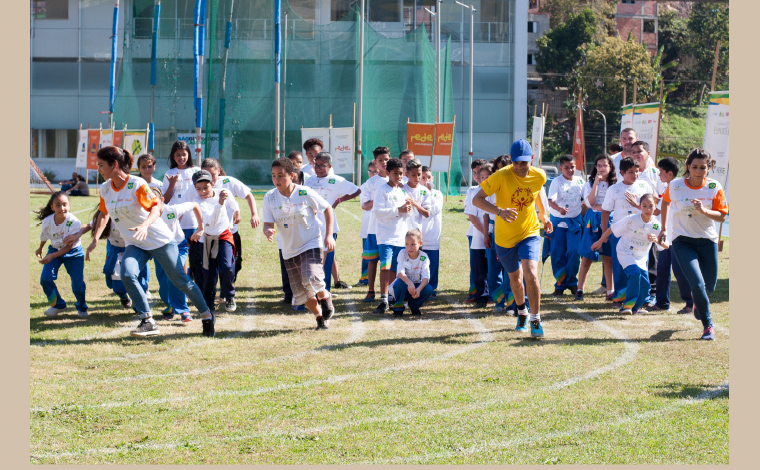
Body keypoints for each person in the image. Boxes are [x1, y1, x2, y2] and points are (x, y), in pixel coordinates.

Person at [88, 146, 215, 338]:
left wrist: (145, 225)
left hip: (159, 240)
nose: (99, 169)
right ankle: (147, 320)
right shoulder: (105, 188)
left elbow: (157, 208)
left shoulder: (136, 184)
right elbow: (104, 214)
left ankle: (206, 315)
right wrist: (95, 238)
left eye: (101, 165)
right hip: (135, 243)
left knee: (180, 281)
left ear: (114, 165)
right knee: (127, 274)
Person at [472, 139, 553, 338]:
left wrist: (545, 216)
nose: (519, 167)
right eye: (516, 162)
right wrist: (499, 211)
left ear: (531, 159)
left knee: (531, 274)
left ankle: (535, 319)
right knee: (515, 280)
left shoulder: (539, 175)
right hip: (505, 237)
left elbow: (538, 193)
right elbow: (477, 199)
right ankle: (522, 312)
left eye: (523, 163)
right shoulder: (500, 176)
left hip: (530, 232)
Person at [659, 148, 728, 341]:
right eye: (694, 167)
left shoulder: (714, 186)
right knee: (697, 283)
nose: (698, 171)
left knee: (709, 287)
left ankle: (699, 301)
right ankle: (708, 326)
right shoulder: (676, 185)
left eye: (702, 168)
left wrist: (704, 210)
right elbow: (665, 203)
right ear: (688, 167)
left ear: (709, 168)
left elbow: (722, 216)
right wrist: (664, 227)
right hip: (682, 241)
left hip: (707, 241)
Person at [262, 157, 336, 330]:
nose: (276, 180)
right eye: (273, 176)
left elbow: (327, 209)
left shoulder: (304, 192)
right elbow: (267, 223)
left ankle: (326, 299)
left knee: (310, 277)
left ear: (292, 175)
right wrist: (267, 231)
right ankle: (320, 317)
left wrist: (329, 235)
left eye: (281, 175)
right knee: (301, 293)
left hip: (310, 241)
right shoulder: (270, 197)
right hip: (288, 249)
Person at [592, 194, 668, 314]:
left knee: (645, 285)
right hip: (625, 252)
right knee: (634, 273)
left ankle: (636, 308)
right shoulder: (632, 219)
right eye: (644, 206)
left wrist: (657, 240)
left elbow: (666, 245)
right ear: (640, 206)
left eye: (651, 206)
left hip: (641, 257)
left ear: (655, 207)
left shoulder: (656, 224)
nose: (648, 209)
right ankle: (627, 307)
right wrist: (600, 241)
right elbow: (613, 228)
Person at [600, 157, 654, 307]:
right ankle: (619, 297)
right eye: (631, 172)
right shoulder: (614, 189)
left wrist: (637, 206)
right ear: (622, 172)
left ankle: (643, 298)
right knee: (620, 266)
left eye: (637, 171)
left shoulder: (644, 186)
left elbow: (653, 209)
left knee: (641, 265)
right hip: (620, 233)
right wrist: (605, 233)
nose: (635, 175)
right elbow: (605, 211)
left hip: (641, 234)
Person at [304, 151, 361, 291]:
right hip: (310, 226)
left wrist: (339, 200)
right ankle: (313, 291)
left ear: (329, 166)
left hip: (328, 228)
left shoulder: (336, 180)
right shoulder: (309, 180)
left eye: (322, 166)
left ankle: (326, 291)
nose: (318, 168)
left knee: (326, 261)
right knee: (313, 260)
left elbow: (356, 190)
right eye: (316, 165)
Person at [200, 158, 261, 288]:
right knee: (212, 266)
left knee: (234, 264)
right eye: (206, 175)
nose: (210, 179)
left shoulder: (228, 182)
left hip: (230, 232)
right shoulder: (199, 188)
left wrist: (254, 214)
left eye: (213, 175)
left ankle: (226, 287)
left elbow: (248, 195)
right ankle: (221, 293)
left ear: (219, 171)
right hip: (210, 234)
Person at [150, 187, 203, 321]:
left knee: (175, 275)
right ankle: (170, 305)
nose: (151, 205)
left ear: (162, 200)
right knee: (163, 280)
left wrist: (201, 228)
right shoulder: (144, 214)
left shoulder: (172, 210)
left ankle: (183, 310)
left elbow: (195, 205)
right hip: (159, 248)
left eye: (154, 201)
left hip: (179, 246)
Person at [34, 191, 88, 318]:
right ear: (52, 207)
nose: (62, 208)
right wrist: (40, 248)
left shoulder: (74, 222)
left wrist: (52, 256)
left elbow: (68, 247)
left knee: (77, 284)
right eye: (57, 205)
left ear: (69, 205)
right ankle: (58, 305)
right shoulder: (47, 221)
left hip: (73, 253)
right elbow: (44, 236)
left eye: (64, 204)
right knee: (45, 279)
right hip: (54, 249)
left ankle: (82, 307)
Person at [193, 170, 239, 313]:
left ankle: (229, 295)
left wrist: (236, 210)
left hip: (224, 235)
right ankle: (208, 303)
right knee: (209, 272)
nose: (202, 192)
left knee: (227, 267)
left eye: (205, 187)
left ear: (213, 184)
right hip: (207, 238)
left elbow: (232, 201)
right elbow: (211, 223)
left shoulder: (222, 192)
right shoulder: (197, 203)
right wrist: (220, 204)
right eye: (198, 189)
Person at [651, 157, 693, 314]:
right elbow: (661, 211)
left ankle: (690, 303)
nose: (659, 175)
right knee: (662, 269)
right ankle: (662, 302)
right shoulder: (665, 189)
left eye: (661, 172)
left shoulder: (681, 189)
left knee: (679, 270)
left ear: (669, 173)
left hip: (679, 236)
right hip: (665, 236)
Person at [372, 157, 413, 313]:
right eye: (395, 173)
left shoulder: (402, 191)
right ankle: (383, 299)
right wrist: (398, 210)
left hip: (400, 237)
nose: (399, 176)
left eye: (401, 173)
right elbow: (377, 212)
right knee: (385, 267)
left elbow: (405, 214)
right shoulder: (382, 190)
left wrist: (407, 210)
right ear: (388, 173)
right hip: (385, 237)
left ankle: (392, 296)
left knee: (396, 269)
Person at [162, 140, 204, 286]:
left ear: (189, 155)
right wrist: (172, 183)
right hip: (175, 222)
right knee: (180, 254)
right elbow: (165, 200)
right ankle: (184, 284)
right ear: (173, 157)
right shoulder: (169, 173)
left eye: (184, 154)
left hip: (192, 220)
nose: (181, 158)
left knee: (195, 255)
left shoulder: (196, 171)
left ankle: (196, 284)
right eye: (178, 155)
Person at [575, 154, 616, 301]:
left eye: (605, 165)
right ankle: (580, 290)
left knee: (608, 258)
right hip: (592, 221)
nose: (602, 168)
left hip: (610, 221)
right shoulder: (589, 183)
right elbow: (590, 204)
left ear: (610, 167)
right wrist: (596, 185)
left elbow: (613, 206)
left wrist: (602, 207)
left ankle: (610, 291)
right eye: (599, 165)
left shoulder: (615, 184)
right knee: (587, 257)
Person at [546, 155, 585, 296]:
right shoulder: (557, 182)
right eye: (566, 167)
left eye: (572, 167)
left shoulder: (580, 181)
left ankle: (572, 282)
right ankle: (560, 284)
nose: (570, 170)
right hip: (559, 223)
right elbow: (550, 201)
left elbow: (586, 200)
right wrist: (559, 209)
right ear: (561, 168)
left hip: (575, 223)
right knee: (558, 254)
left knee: (574, 252)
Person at [360, 147, 391, 303]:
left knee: (390, 262)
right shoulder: (370, 183)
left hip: (392, 229)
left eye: (386, 159)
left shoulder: (398, 180)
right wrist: (379, 199)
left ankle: (389, 292)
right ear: (375, 162)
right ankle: (371, 291)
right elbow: (365, 205)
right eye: (380, 160)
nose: (384, 163)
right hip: (374, 228)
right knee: (372, 260)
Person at [481, 163, 510, 313]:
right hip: (494, 232)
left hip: (510, 232)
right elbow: (486, 215)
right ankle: (498, 302)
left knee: (511, 269)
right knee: (494, 269)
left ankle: (511, 303)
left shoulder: (510, 189)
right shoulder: (489, 191)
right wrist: (486, 234)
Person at [390, 229, 434, 316]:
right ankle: (398, 306)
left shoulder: (424, 257)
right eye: (407, 244)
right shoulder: (402, 253)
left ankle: (414, 306)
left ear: (420, 244)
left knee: (429, 289)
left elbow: (426, 277)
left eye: (413, 244)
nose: (409, 247)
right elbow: (400, 273)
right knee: (399, 283)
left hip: (416, 287)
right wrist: (409, 283)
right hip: (403, 286)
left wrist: (419, 289)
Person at [464, 158, 488, 304]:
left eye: (480, 172)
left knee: (490, 265)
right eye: (474, 173)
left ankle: (491, 293)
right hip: (476, 234)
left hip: (491, 234)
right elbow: (471, 216)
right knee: (477, 265)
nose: (477, 176)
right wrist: (484, 233)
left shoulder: (493, 191)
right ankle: (476, 292)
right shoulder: (472, 190)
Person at [419, 166, 443, 298]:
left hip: (433, 235)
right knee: (418, 264)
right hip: (418, 236)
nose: (426, 180)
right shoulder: (417, 193)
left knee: (432, 264)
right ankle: (417, 288)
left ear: (432, 178)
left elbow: (434, 211)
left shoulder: (437, 194)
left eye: (428, 177)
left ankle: (431, 289)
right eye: (423, 178)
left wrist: (429, 194)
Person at [355, 160, 379, 287]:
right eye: (371, 171)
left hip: (384, 227)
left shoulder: (387, 183)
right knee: (368, 254)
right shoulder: (365, 186)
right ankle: (365, 279)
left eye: (376, 171)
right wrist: (379, 199)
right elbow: (366, 206)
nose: (374, 174)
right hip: (368, 226)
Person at [401, 158, 431, 232]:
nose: (417, 177)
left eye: (419, 174)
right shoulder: (401, 189)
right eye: (413, 175)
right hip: (402, 229)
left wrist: (415, 204)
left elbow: (427, 214)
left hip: (416, 230)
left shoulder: (424, 191)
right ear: (406, 174)